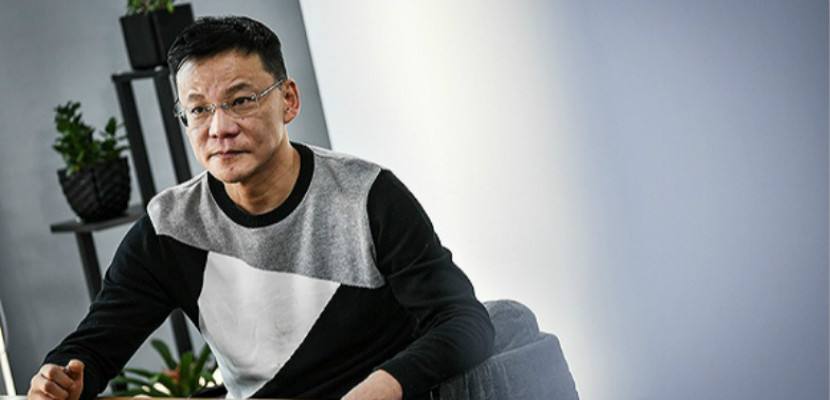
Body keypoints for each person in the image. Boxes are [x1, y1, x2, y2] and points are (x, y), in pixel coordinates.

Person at [26, 15, 493, 400]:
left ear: (288, 100)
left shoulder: (366, 195)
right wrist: (61, 378)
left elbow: (462, 321)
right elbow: (94, 347)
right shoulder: (170, 227)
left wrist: (381, 388)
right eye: (199, 110)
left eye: (241, 100)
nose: (219, 128)